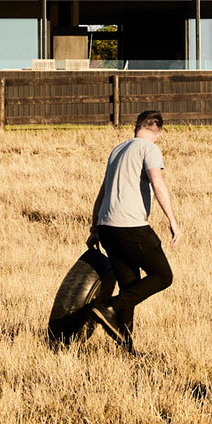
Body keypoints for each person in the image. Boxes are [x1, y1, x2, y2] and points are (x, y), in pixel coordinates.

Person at [85, 109, 178, 351]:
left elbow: (102, 192)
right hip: (131, 226)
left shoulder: (117, 150)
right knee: (162, 276)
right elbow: (157, 183)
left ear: (135, 126)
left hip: (107, 228)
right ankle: (109, 307)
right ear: (158, 133)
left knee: (130, 286)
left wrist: (95, 228)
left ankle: (126, 348)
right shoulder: (150, 149)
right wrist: (172, 220)